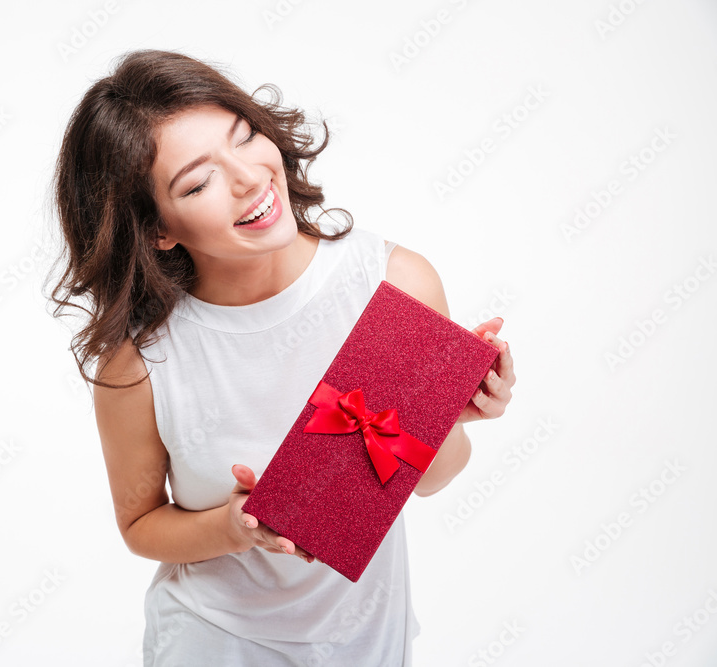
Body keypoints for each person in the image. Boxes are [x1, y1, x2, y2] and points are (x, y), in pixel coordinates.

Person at [47, 49, 515, 666]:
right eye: (198, 181)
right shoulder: (139, 363)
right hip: (212, 642)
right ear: (158, 228)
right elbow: (140, 526)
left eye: (244, 138)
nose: (248, 178)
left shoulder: (393, 281)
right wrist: (235, 527)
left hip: (365, 640)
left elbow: (433, 479)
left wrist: (447, 412)